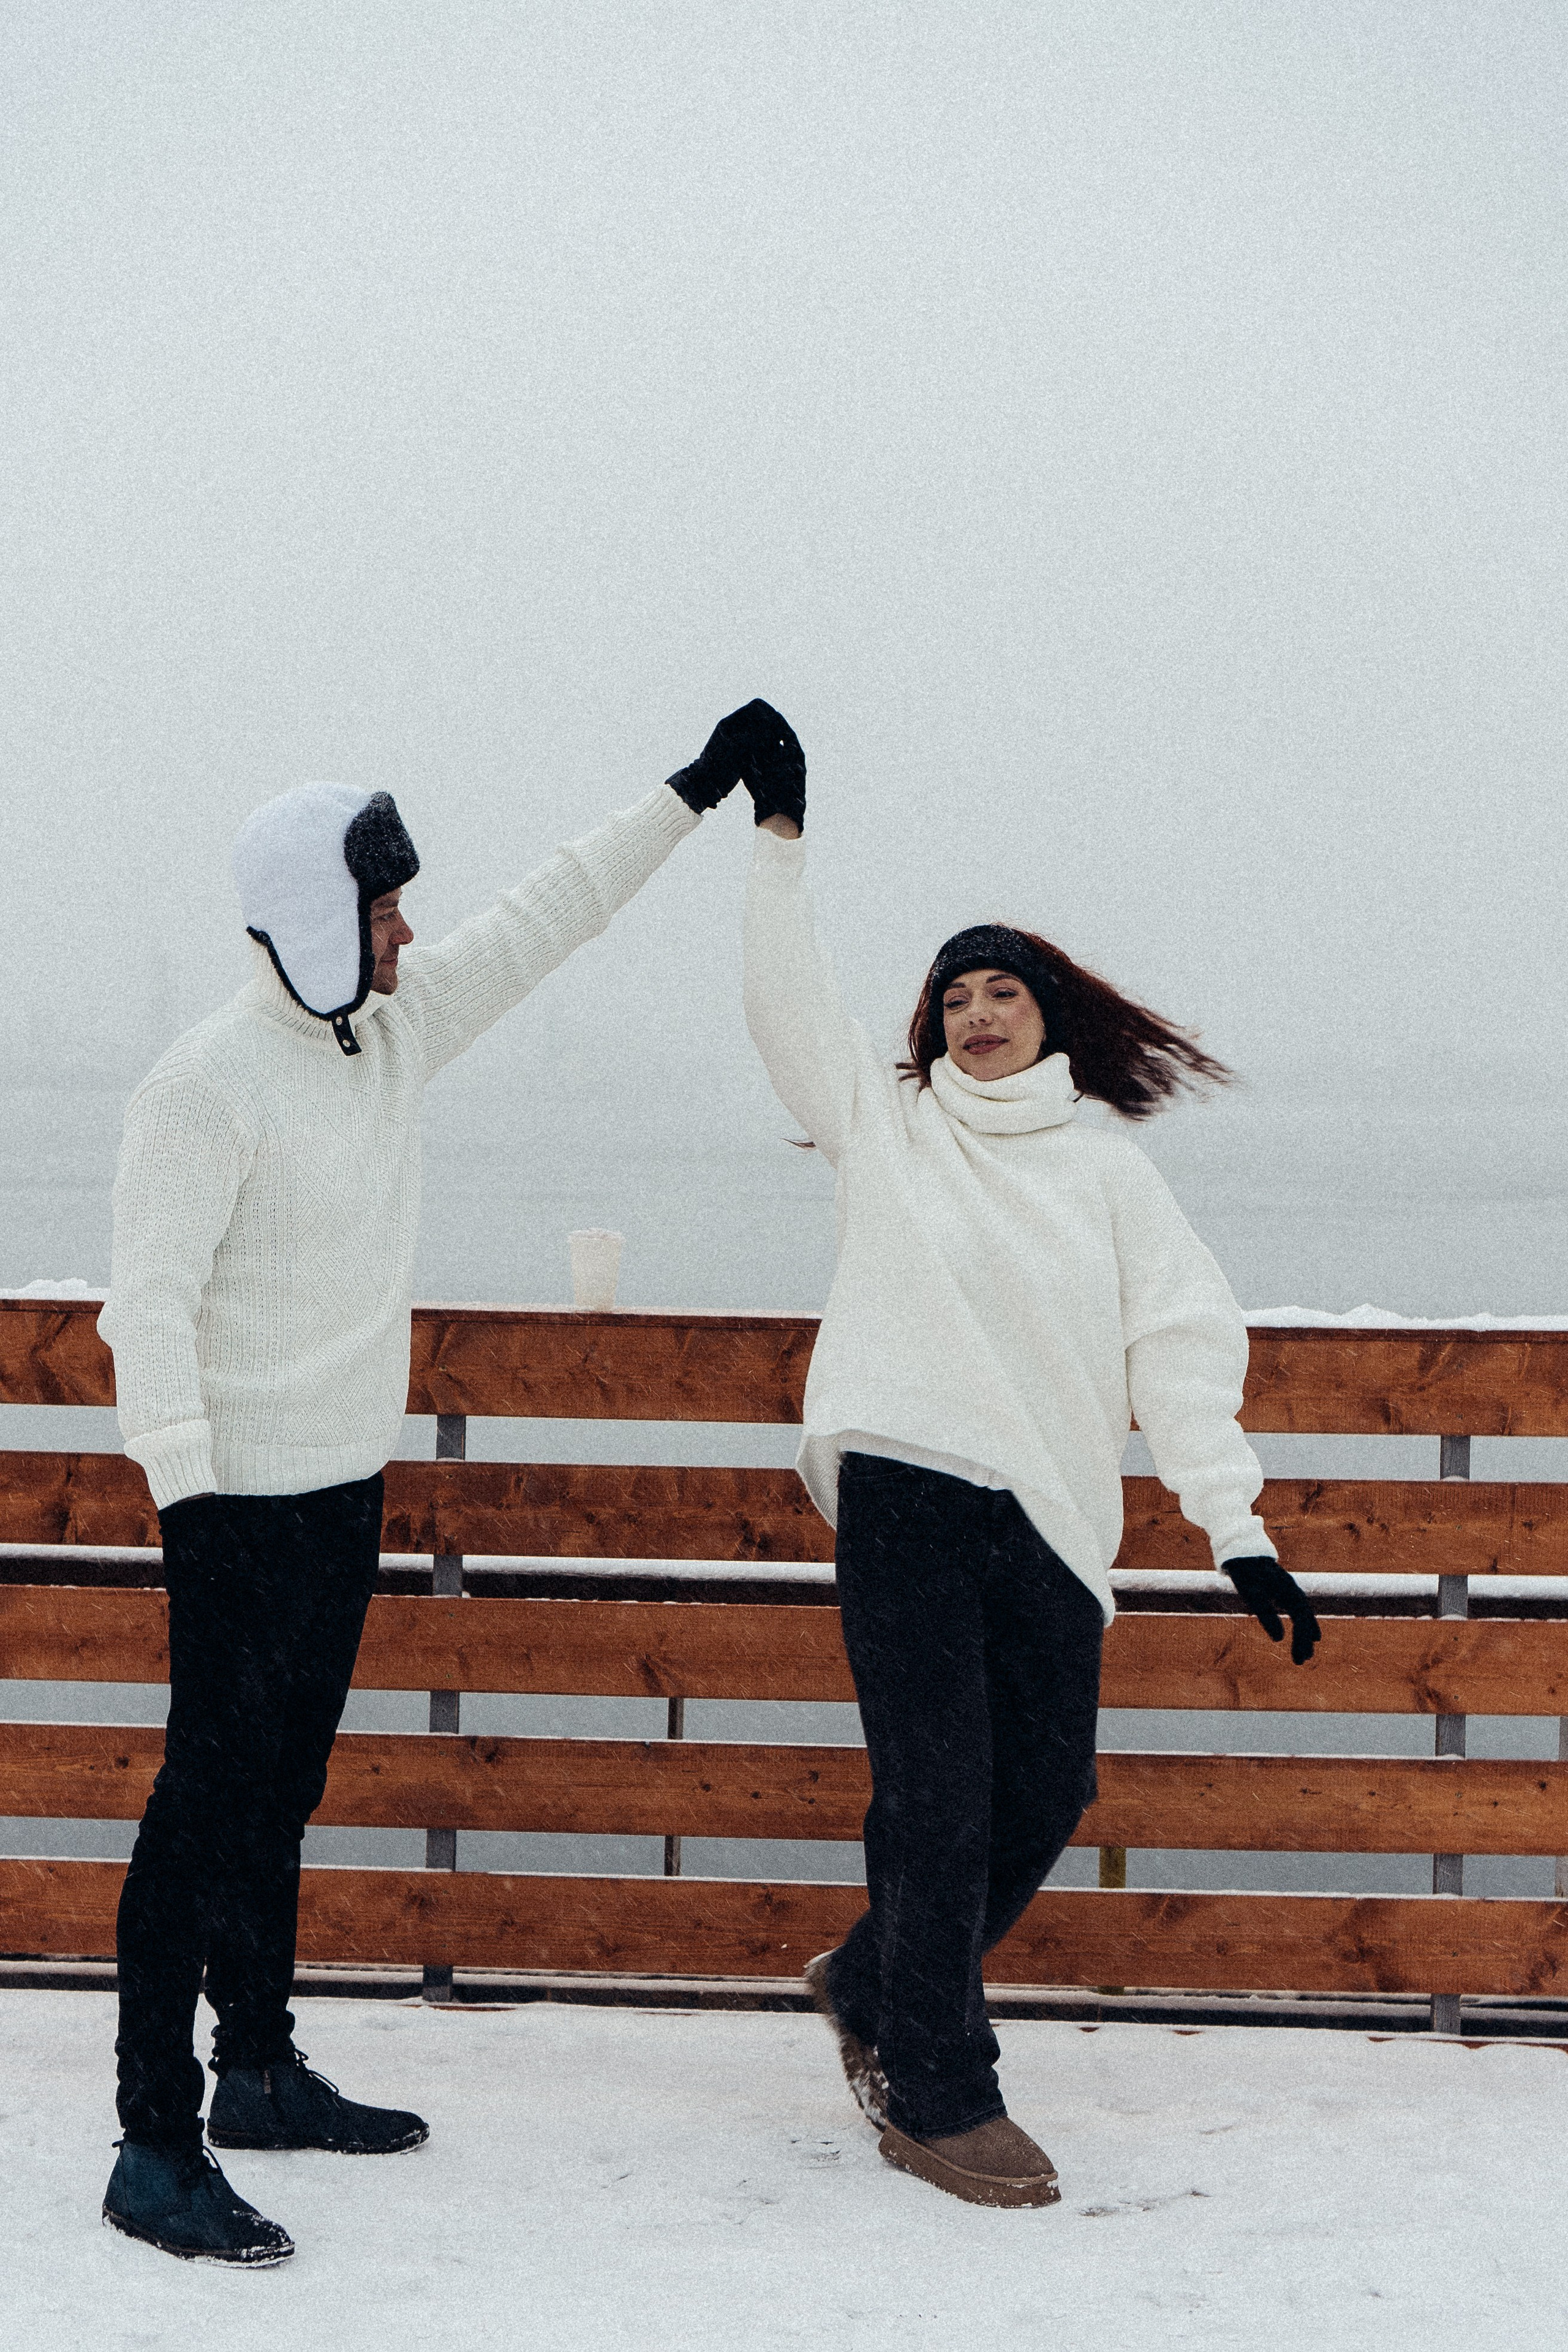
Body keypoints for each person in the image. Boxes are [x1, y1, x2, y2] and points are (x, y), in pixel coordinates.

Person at [97, 699, 797, 2266]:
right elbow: (142, 1309)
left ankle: (258, 2073)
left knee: (281, 1797)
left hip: (343, 1490)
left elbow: (545, 914)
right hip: (234, 1515)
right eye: (382, 906)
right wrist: (189, 1504)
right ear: (310, 919)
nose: (409, 931)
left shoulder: (389, 1037)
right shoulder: (200, 1087)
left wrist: (688, 791)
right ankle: (153, 2143)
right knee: (197, 1819)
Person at [737, 740, 1321, 2211]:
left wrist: (1231, 1526)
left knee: (1042, 1790)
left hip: (1050, 1520)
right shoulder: (890, 1128)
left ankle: (870, 1976)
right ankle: (935, 2086)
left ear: (1047, 1013)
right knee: (934, 1796)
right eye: (953, 994)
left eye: (1000, 991)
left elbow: (1177, 1341)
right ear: (926, 1028)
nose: (976, 1014)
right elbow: (781, 998)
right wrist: (780, 838)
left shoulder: (1104, 1167)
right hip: (906, 1491)